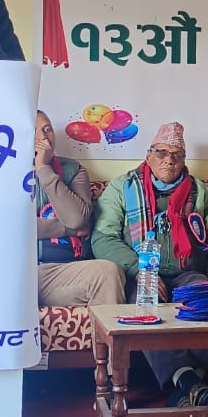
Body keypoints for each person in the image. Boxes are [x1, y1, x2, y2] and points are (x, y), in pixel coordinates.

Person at [91, 122, 208, 417]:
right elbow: (103, 238)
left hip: (186, 274)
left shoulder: (199, 192)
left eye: (176, 155)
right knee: (144, 306)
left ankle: (187, 389)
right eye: (161, 153)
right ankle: (189, 384)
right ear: (148, 155)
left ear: (184, 160)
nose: (169, 160)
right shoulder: (123, 187)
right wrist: (139, 270)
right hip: (140, 275)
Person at [32, 111, 126, 311]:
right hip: (19, 273)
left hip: (64, 273)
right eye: (34, 131)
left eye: (47, 129)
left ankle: (107, 334)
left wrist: (43, 168)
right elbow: (9, 227)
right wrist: (68, 230)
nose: (44, 138)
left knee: (107, 272)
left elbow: (77, 219)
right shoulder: (2, 172)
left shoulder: (73, 170)